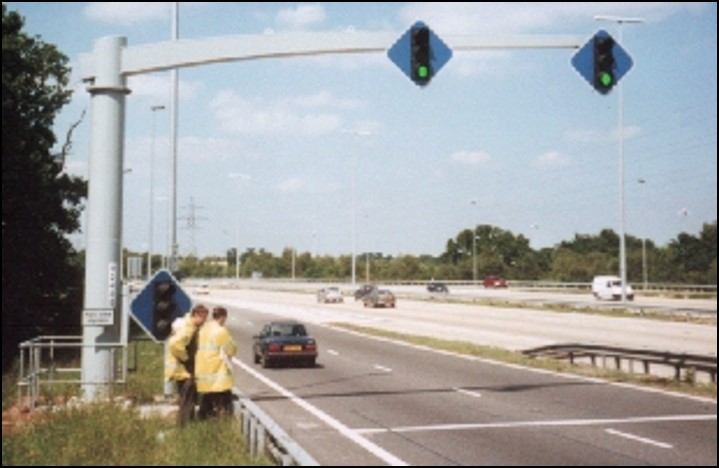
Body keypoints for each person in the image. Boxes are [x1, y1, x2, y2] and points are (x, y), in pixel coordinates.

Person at [165, 304, 208, 427]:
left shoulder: (188, 325)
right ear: (196, 315)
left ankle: (185, 425)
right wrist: (186, 358)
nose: (204, 321)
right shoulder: (189, 328)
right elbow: (174, 344)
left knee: (186, 399)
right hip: (182, 371)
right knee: (187, 401)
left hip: (181, 371)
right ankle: (184, 427)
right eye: (203, 318)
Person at [195, 306, 237, 419]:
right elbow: (231, 349)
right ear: (223, 317)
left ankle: (202, 419)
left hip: (202, 369)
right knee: (223, 400)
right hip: (216, 371)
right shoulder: (220, 331)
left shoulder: (203, 329)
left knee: (207, 399)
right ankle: (223, 421)